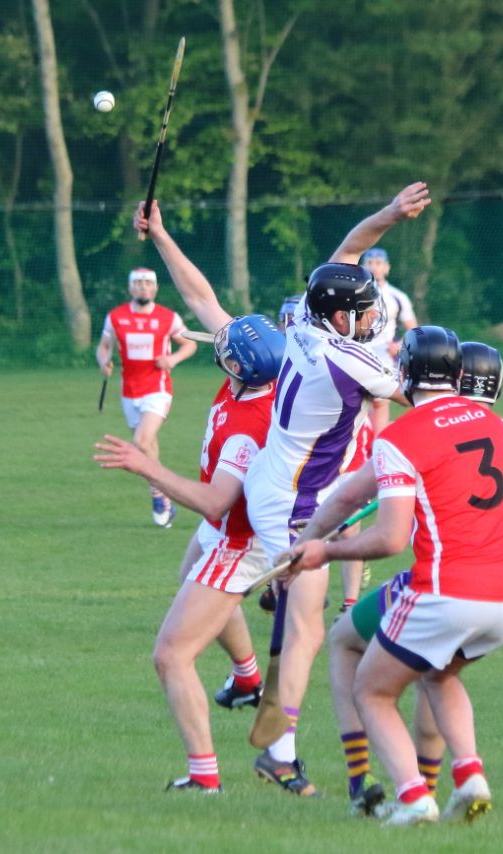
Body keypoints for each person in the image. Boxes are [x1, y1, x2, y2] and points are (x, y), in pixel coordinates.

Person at [136, 187, 427, 796]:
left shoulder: (296, 323)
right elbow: (419, 399)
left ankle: (250, 684)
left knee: (233, 584)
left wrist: (389, 216)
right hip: (294, 505)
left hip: (279, 484)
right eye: (366, 310)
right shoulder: (351, 361)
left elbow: (344, 252)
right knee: (309, 628)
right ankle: (281, 750)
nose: (374, 315)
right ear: (342, 317)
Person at [286, 326, 503, 826]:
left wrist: (325, 551)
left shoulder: (399, 437)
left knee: (372, 691)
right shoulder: (490, 422)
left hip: (447, 592)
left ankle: (412, 795)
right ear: (459, 373)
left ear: (403, 375)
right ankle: (470, 777)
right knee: (437, 673)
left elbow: (390, 539)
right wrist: (311, 535)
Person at [96, 309, 283, 793]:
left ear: (240, 368)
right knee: (188, 573)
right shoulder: (257, 379)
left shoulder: (247, 428)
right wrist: (159, 234)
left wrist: (146, 467)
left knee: (171, 655)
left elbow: (214, 500)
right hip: (225, 528)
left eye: (230, 352)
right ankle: (247, 681)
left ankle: (205, 778)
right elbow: (201, 298)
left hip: (239, 538)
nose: (220, 348)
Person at [96, 267, 198, 527]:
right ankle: (163, 495)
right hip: (129, 392)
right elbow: (104, 346)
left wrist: (172, 359)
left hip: (157, 389)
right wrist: (103, 361)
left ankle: (157, 493)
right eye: (138, 284)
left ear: (155, 288)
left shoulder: (168, 318)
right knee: (148, 446)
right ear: (131, 288)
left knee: (141, 440)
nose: (143, 288)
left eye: (147, 284)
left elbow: (190, 343)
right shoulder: (116, 317)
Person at [361, 248, 418, 435]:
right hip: (359, 352)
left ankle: (377, 443)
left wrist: (400, 345)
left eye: (378, 263)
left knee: (380, 401)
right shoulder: (355, 293)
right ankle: (365, 440)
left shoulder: (397, 296)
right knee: (358, 399)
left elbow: (413, 328)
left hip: (383, 354)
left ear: (387, 268)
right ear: (363, 266)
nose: (374, 267)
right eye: (370, 263)